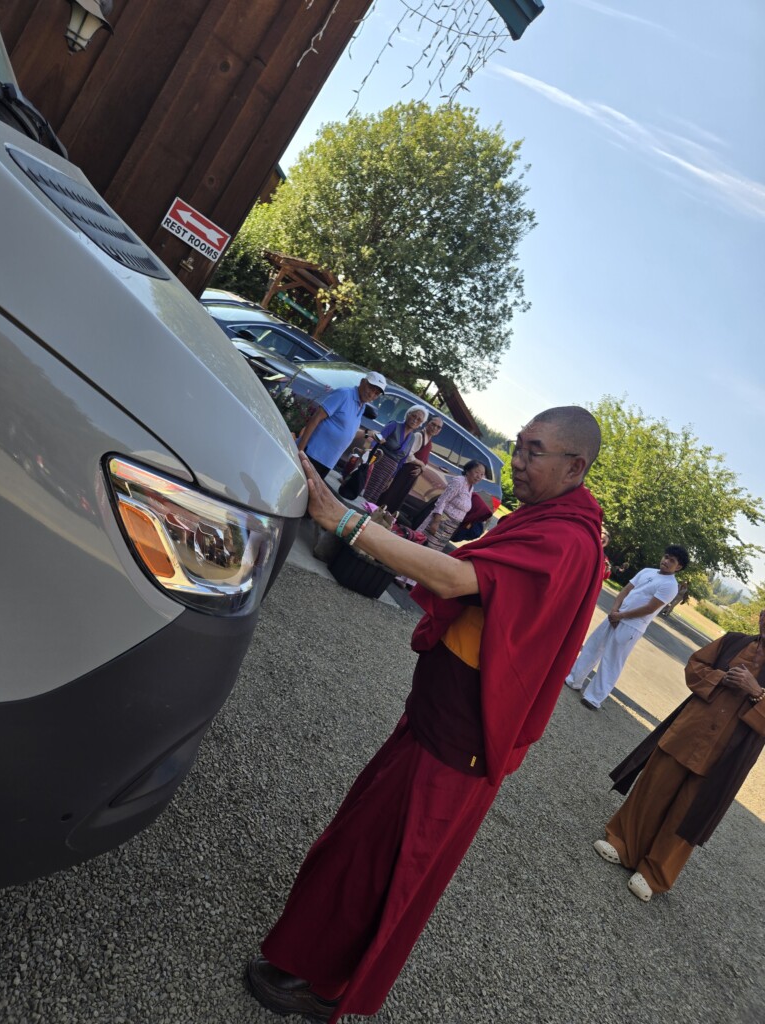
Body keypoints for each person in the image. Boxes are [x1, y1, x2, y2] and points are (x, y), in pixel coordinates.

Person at [246, 406, 605, 1023]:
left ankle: (321, 983)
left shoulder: (567, 540)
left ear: (575, 467)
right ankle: (316, 962)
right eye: (518, 445)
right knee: (363, 840)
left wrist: (344, 521)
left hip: (457, 741)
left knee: (378, 860)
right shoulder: (548, 520)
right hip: (438, 718)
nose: (517, 461)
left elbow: (456, 580)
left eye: (533, 451)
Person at [593, 610, 765, 902]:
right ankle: (623, 844)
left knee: (688, 813)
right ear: (761, 616)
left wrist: (757, 693)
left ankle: (654, 874)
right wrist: (720, 678)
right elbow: (694, 666)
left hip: (724, 756)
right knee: (652, 789)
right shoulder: (732, 641)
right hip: (688, 732)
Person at [564, 545, 689, 710]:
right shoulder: (647, 571)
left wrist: (621, 616)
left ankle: (593, 698)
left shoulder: (670, 585)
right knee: (593, 647)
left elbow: (649, 608)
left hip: (632, 625)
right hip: (615, 616)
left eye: (671, 561)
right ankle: (574, 679)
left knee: (612, 660)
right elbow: (625, 591)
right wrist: (614, 610)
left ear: (678, 567)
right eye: (666, 557)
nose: (666, 561)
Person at [297, 371, 387, 478]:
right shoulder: (344, 394)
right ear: (362, 382)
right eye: (371, 388)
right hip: (311, 453)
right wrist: (300, 448)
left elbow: (348, 432)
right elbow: (316, 418)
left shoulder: (362, 406)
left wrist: (369, 433)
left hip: (327, 462)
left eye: (376, 393)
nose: (372, 394)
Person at [378, 414, 444, 514]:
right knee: (388, 498)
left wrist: (421, 468)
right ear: (427, 423)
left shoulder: (429, 441)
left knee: (395, 502)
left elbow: (424, 460)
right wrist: (421, 464)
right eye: (433, 424)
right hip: (402, 472)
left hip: (409, 476)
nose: (435, 428)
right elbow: (407, 454)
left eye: (438, 427)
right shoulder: (419, 436)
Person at [362, 405, 428, 503]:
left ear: (420, 424)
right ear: (408, 414)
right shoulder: (394, 425)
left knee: (373, 496)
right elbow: (377, 439)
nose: (415, 420)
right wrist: (368, 458)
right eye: (414, 416)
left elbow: (402, 460)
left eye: (419, 420)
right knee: (365, 489)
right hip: (377, 462)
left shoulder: (412, 438)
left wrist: (392, 478)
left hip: (389, 471)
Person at [419, 460, 487, 552]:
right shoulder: (459, 482)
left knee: (433, 551)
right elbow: (443, 500)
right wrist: (435, 522)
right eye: (477, 472)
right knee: (424, 546)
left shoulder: (470, 487)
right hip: (441, 521)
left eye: (482, 474)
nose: (479, 476)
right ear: (468, 471)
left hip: (450, 527)